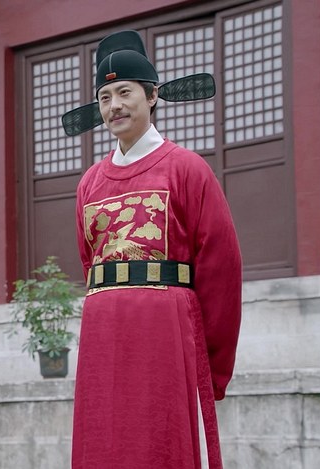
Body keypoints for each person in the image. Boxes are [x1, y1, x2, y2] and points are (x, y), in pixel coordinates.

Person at [65, 31, 242, 469]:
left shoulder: (187, 169)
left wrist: (214, 367)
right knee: (105, 439)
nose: (114, 106)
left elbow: (221, 270)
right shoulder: (89, 183)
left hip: (165, 331)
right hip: (103, 332)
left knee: (160, 440)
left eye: (125, 93)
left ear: (152, 96)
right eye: (105, 98)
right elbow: (90, 263)